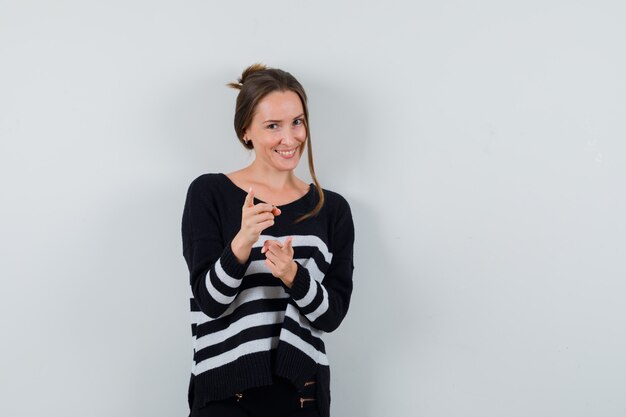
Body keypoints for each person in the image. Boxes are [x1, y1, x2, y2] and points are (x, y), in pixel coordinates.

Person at [181, 63, 355, 417]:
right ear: (246, 131)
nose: (290, 138)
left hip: (301, 396)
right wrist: (243, 240)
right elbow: (210, 302)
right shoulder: (209, 192)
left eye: (297, 121)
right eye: (273, 126)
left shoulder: (332, 208)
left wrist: (294, 275)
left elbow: (331, 316)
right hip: (228, 397)